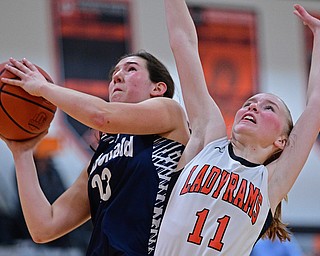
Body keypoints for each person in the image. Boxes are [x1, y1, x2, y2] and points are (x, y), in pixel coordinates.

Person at [154, 1, 320, 255]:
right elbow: (183, 44)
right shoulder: (208, 140)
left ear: (282, 141)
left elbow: (316, 104)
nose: (253, 107)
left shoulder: (272, 181)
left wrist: (318, 35)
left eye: (268, 108)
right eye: (249, 103)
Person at [0, 50, 190, 255]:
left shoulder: (170, 113)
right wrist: (22, 154)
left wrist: (44, 88)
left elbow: (100, 116)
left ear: (158, 88)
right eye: (115, 73)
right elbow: (44, 227)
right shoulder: (101, 157)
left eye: (131, 69)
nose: (117, 76)